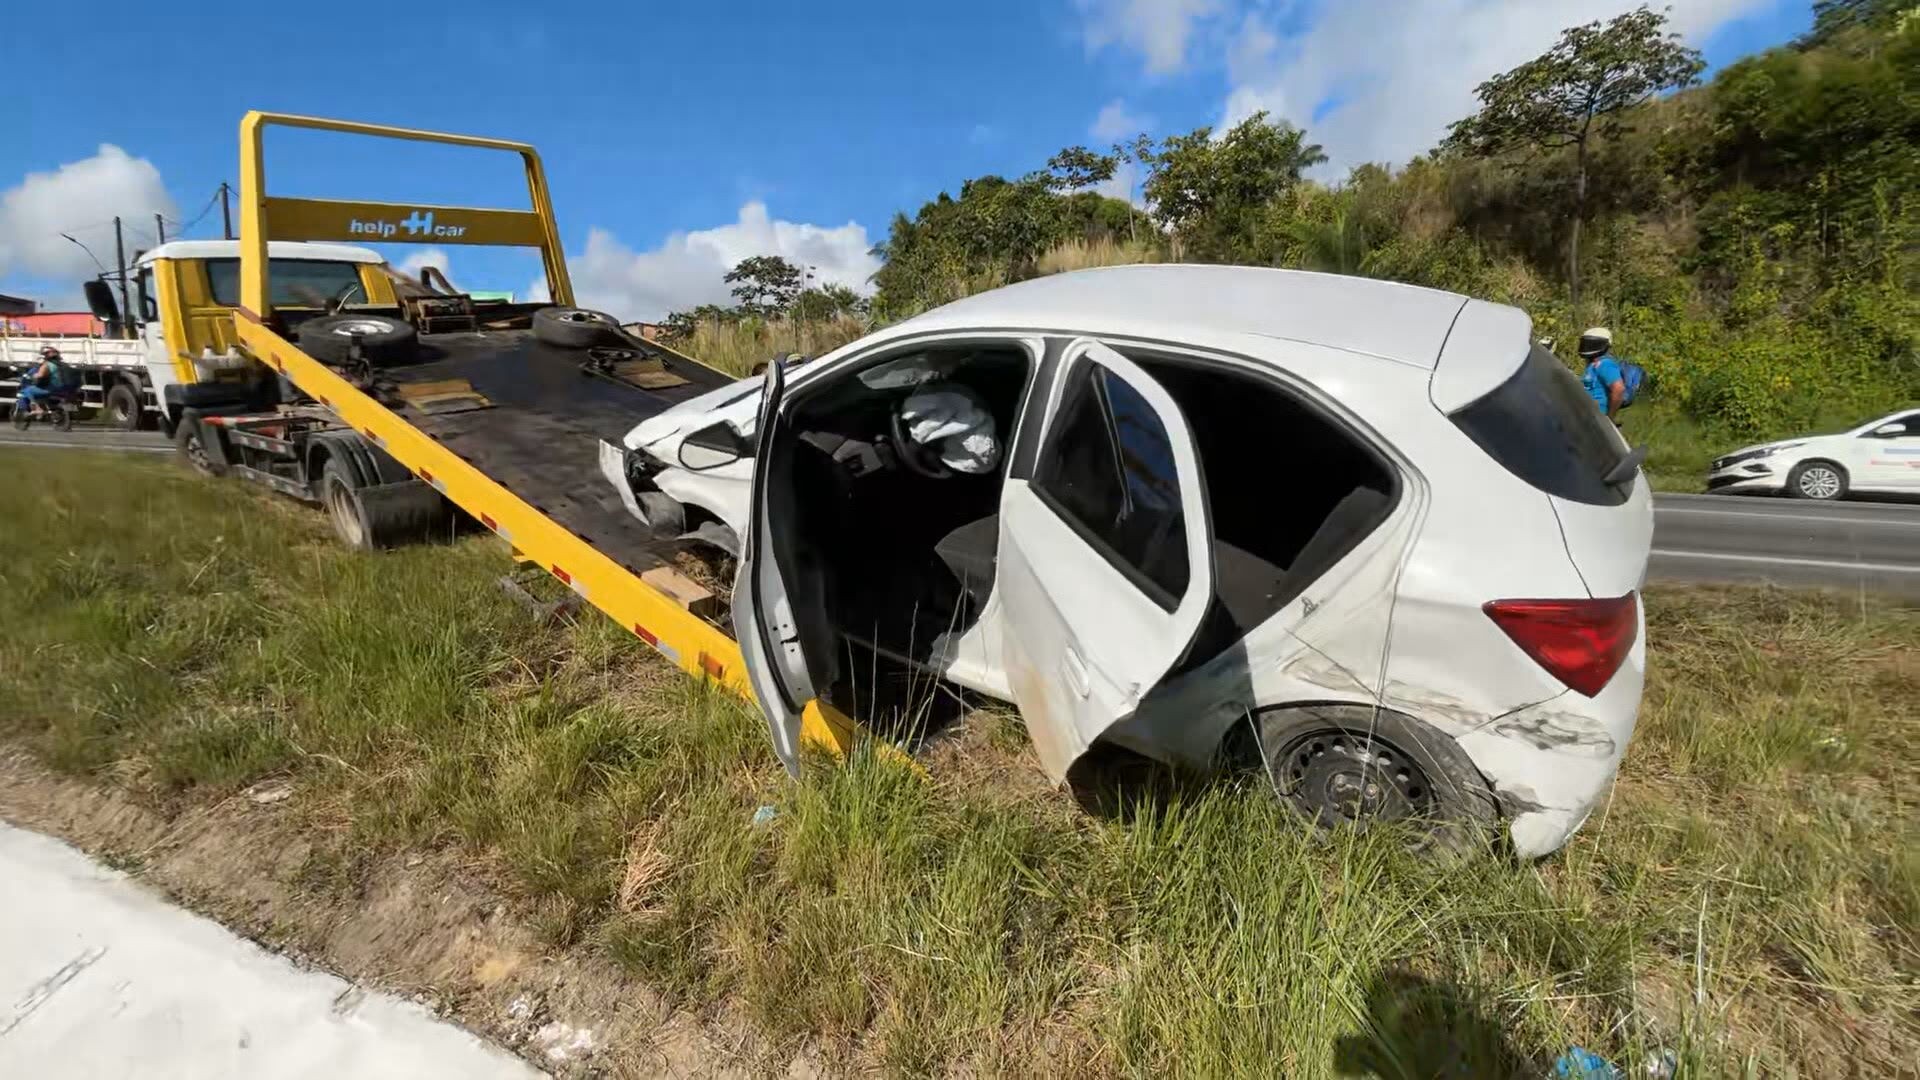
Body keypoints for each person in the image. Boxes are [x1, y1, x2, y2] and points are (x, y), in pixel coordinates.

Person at [1578, 327, 1626, 421]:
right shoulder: (1593, 365)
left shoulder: (1605, 364)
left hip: (1597, 419)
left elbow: (1618, 389)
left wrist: (1609, 418)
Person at [15, 345, 67, 416]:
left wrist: (33, 376)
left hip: (50, 389)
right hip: (60, 388)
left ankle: (37, 409)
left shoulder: (46, 365)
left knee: (27, 390)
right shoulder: (61, 365)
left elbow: (40, 375)